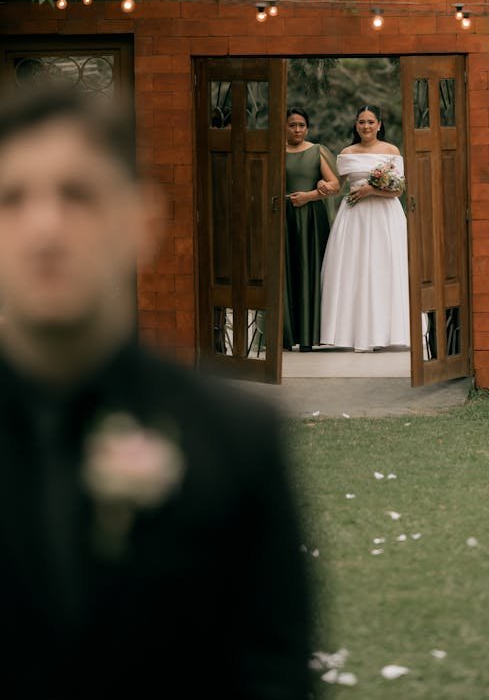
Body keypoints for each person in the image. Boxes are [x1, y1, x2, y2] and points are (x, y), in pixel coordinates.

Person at [0, 85, 313, 698]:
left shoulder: (237, 438)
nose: (45, 228)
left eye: (78, 195)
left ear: (141, 221)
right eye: (12, 199)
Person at [320, 104, 410, 353]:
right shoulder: (347, 152)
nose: (366, 126)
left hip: (385, 216)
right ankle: (351, 332)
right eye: (361, 122)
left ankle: (387, 331)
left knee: (384, 267)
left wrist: (371, 189)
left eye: (371, 122)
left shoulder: (391, 150)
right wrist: (322, 185)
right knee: (354, 268)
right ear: (356, 125)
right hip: (354, 217)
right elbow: (336, 186)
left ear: (379, 124)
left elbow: (399, 190)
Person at [284, 107, 339, 351]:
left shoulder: (317, 151)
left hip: (310, 219)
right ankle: (285, 335)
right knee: (286, 273)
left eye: (301, 125)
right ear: (284, 126)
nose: (297, 129)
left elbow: (335, 185)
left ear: (307, 128)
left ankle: (310, 336)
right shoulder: (274, 152)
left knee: (310, 271)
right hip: (282, 218)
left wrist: (309, 195)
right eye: (292, 124)